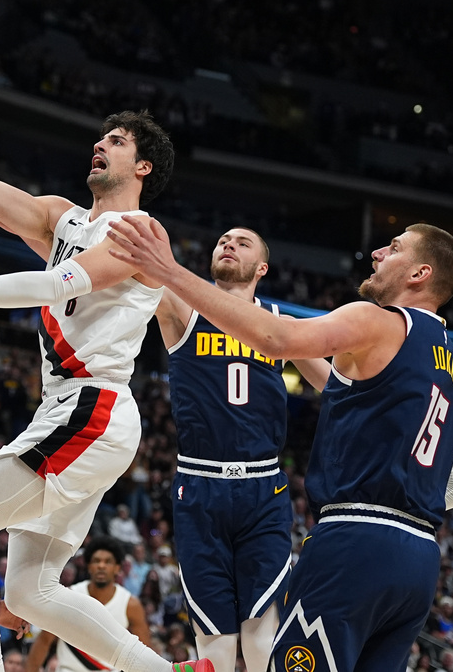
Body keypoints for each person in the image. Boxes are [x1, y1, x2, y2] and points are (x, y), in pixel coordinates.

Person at [0, 45, 205, 672]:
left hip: (94, 407)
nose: (100, 144)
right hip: (74, 411)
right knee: (28, 591)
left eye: (118, 140)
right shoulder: (63, 219)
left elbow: (56, 286)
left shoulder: (142, 233)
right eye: (100, 137)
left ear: (144, 165)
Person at [107, 218, 453, 672]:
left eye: (394, 248)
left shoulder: (373, 320)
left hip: (352, 538)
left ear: (419, 273)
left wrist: (168, 267)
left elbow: (277, 340)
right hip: (420, 560)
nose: (378, 253)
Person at [153, 226, 330, 672]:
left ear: (262, 268)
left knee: (262, 639)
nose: (228, 244)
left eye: (242, 242)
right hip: (200, 485)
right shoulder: (181, 307)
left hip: (262, 490)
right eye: (222, 241)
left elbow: (336, 387)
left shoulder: (279, 327)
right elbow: (126, 271)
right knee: (213, 645)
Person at [25, 537, 149, 672]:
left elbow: (143, 652)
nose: (101, 566)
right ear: (89, 566)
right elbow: (44, 641)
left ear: (117, 568)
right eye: (96, 561)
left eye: (108, 562)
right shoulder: (70, 596)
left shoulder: (130, 604)